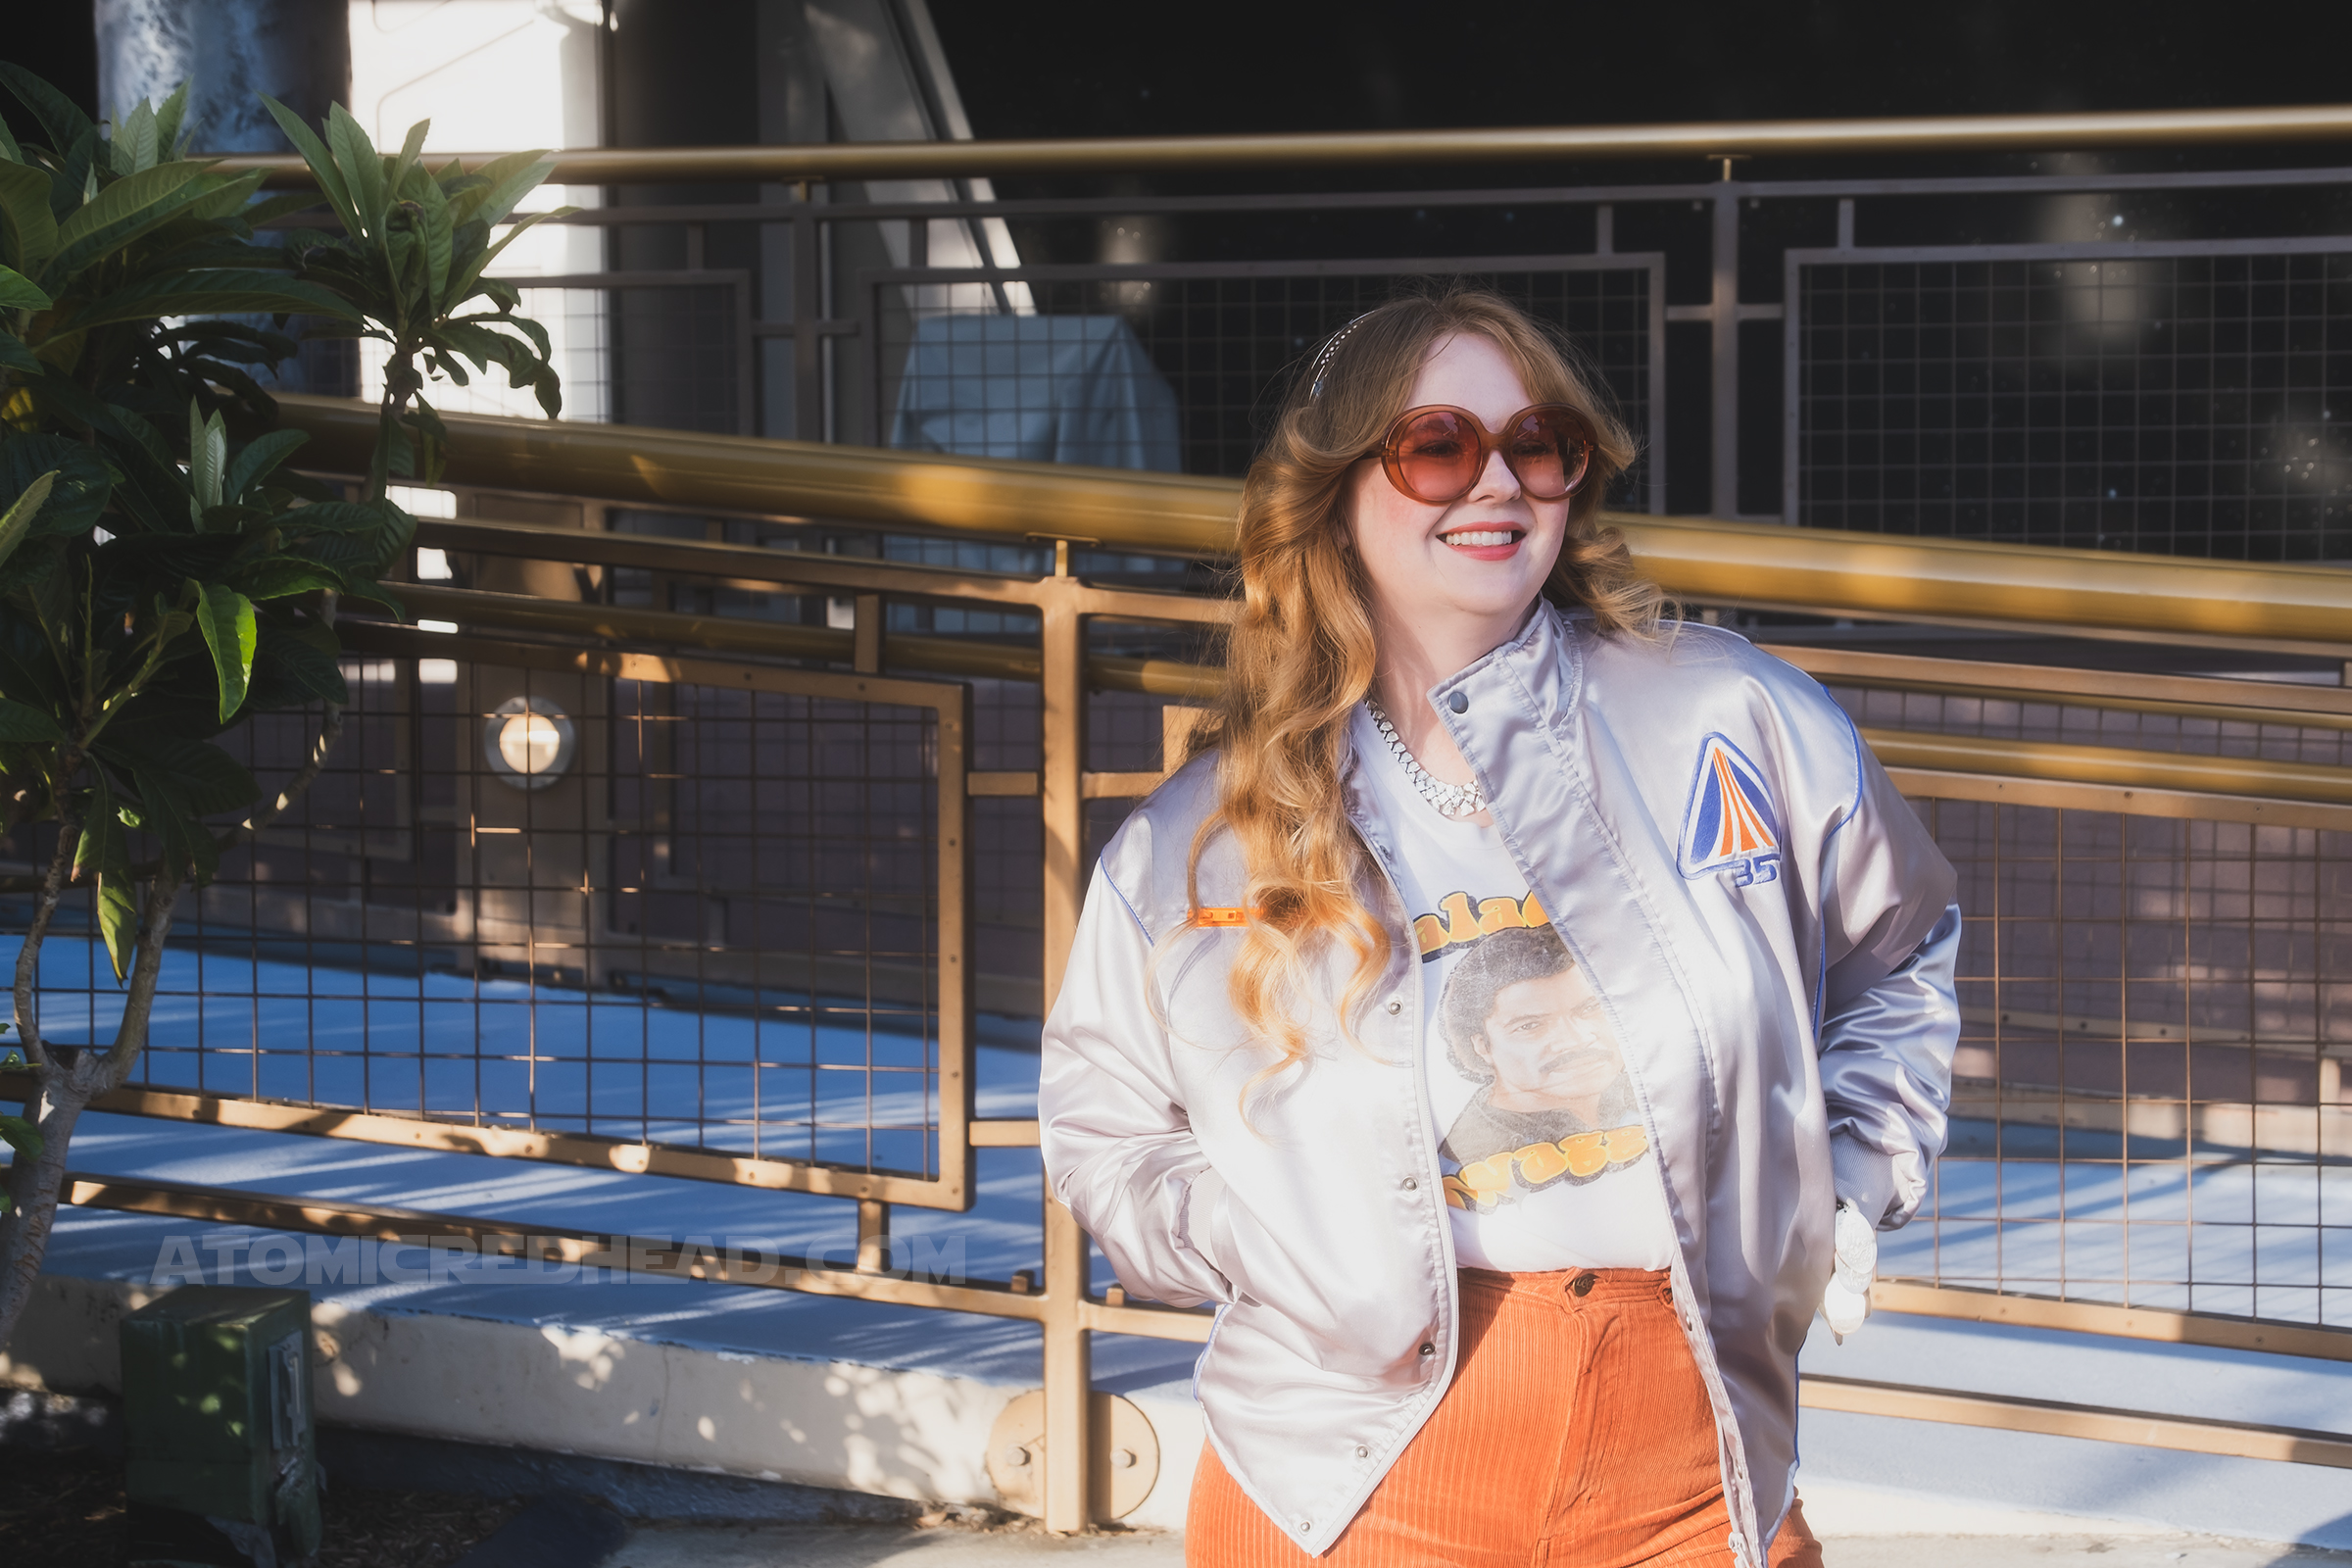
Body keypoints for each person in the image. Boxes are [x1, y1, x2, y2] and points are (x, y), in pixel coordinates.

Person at [1039, 289, 1961, 1567]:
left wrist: (1849, 1185)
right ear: (1338, 489)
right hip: (1343, 1484)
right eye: (1437, 444)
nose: (1498, 484)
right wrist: (1269, 1240)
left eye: (1538, 445)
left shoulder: (1731, 721)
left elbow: (1898, 957)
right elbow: (1107, 1122)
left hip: (1686, 1469)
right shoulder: (1205, 839)